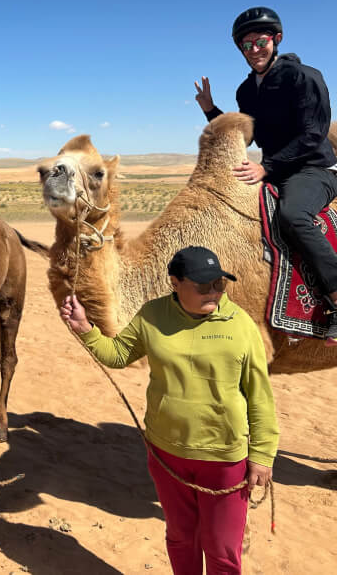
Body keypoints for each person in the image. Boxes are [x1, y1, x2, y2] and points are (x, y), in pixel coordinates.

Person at [60, 246, 278, 575]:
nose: (214, 292)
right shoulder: (153, 315)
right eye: (203, 285)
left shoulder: (241, 326)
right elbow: (118, 354)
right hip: (166, 455)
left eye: (219, 284)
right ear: (175, 283)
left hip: (223, 459)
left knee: (222, 550)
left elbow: (260, 397)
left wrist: (262, 454)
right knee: (180, 539)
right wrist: (85, 328)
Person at [193, 6, 337, 344]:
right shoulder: (246, 91)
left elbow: (313, 134)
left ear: (276, 39)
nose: (254, 50)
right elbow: (249, 136)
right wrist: (211, 111)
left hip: (313, 169)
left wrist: (266, 168)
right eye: (246, 46)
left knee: (293, 215)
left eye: (260, 42)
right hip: (274, 172)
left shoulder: (304, 77)